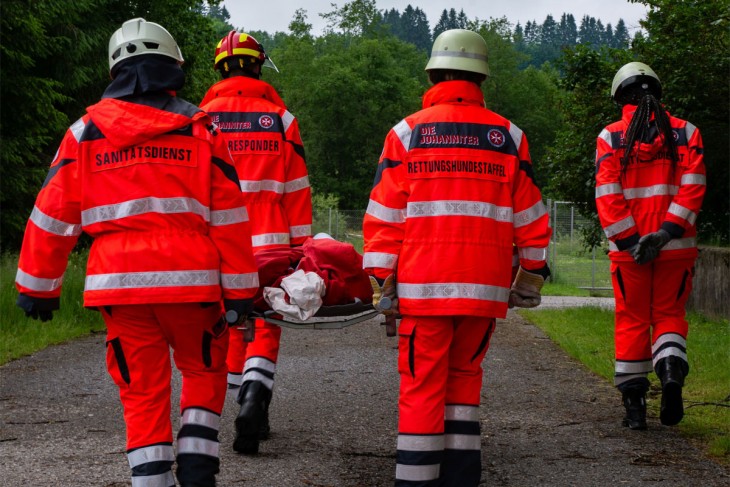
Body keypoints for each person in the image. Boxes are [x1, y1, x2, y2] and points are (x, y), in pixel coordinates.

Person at [14, 18, 259, 487]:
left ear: (115, 74)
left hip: (119, 287)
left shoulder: (84, 134)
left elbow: (52, 213)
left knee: (141, 390)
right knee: (204, 370)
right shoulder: (199, 130)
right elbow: (229, 217)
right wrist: (242, 291)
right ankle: (197, 464)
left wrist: (37, 286)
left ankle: (151, 481)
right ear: (172, 70)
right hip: (193, 285)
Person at [362, 29, 552, 487]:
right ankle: (462, 478)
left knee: (421, 385)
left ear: (433, 72)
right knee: (465, 381)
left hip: (423, 289)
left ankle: (416, 480)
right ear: (481, 77)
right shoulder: (508, 136)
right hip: (483, 289)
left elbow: (387, 215)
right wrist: (531, 275)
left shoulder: (406, 133)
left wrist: (381, 280)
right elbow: (530, 213)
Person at [200, 31, 312, 455]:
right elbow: (297, 188)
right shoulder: (281, 120)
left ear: (221, 69)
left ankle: (238, 401)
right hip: (269, 237)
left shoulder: (200, 118)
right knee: (267, 319)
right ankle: (255, 392)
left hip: (216, 240)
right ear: (258, 66)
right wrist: (300, 246)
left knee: (227, 320)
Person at [595, 62, 706, 430]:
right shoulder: (687, 132)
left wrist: (631, 242)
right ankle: (671, 370)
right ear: (657, 93)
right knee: (669, 317)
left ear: (619, 97)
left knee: (632, 320)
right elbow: (693, 188)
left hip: (629, 255)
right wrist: (665, 234)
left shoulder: (610, 137)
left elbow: (607, 195)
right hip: (677, 246)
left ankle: (634, 407)